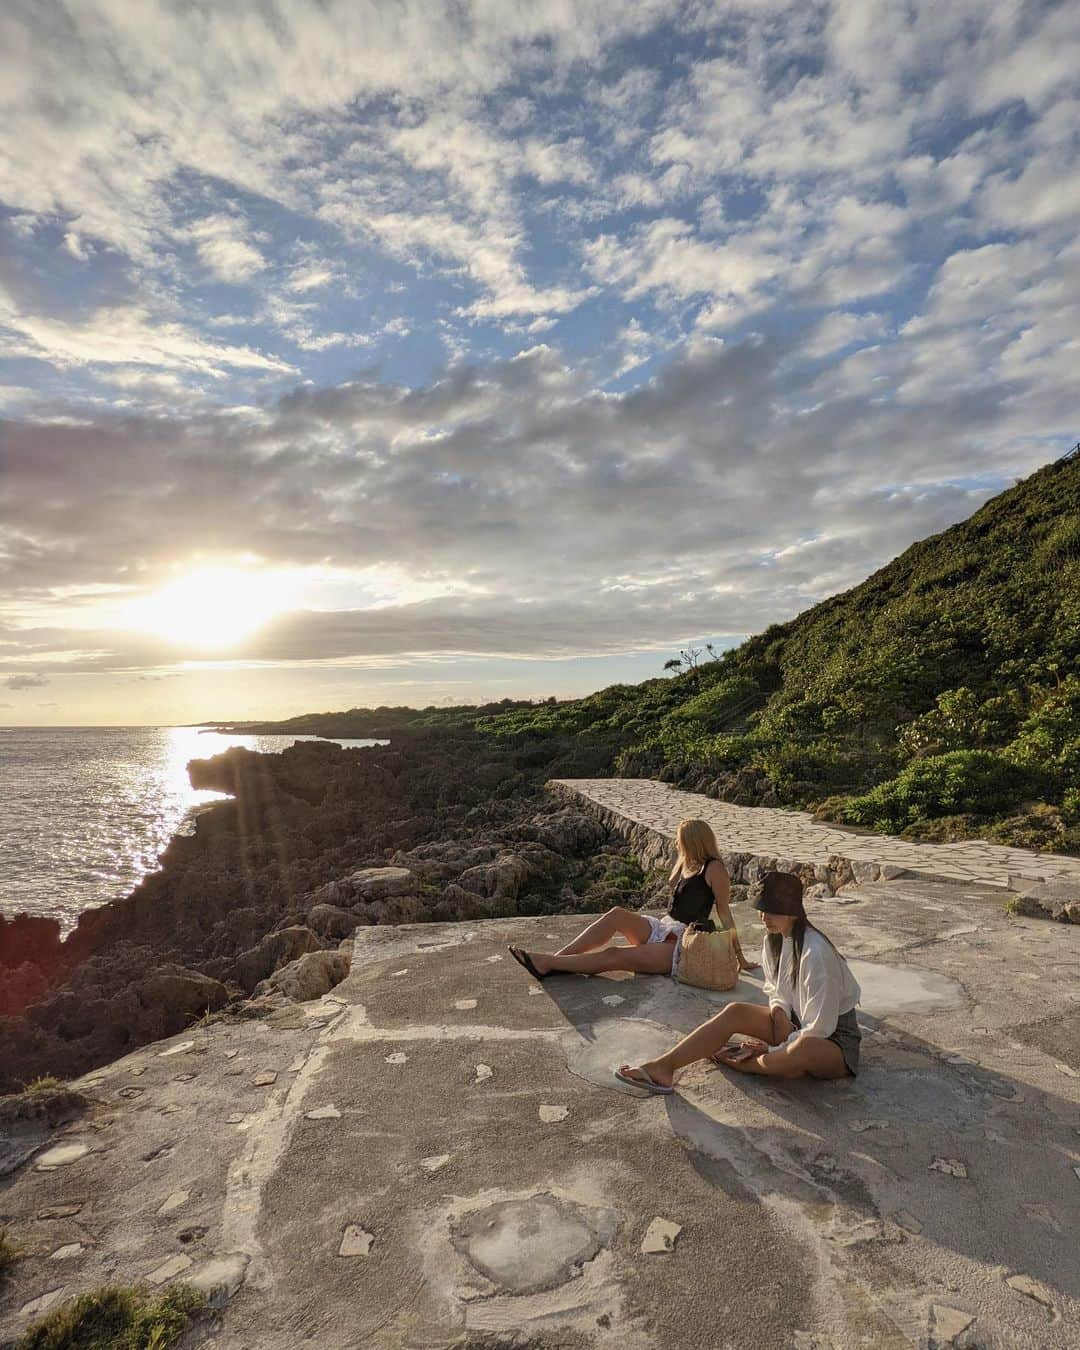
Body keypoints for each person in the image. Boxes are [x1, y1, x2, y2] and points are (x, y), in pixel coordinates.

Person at [615, 870, 861, 1094]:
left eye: (772, 910)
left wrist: (772, 1049)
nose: (764, 917)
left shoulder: (816, 953)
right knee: (735, 1012)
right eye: (762, 909)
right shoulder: (774, 940)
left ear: (793, 911)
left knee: (801, 1050)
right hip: (795, 1024)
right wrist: (779, 1014)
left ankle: (745, 1063)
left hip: (832, 1042)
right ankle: (663, 1067)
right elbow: (776, 989)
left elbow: (821, 1028)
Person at [508, 817, 757, 981]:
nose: (678, 846)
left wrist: (740, 957)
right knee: (616, 914)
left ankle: (550, 964)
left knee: (615, 955)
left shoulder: (714, 869)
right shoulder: (687, 863)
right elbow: (675, 891)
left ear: (694, 842)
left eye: (682, 842)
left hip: (681, 945)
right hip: (663, 928)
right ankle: (555, 962)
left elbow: (724, 914)